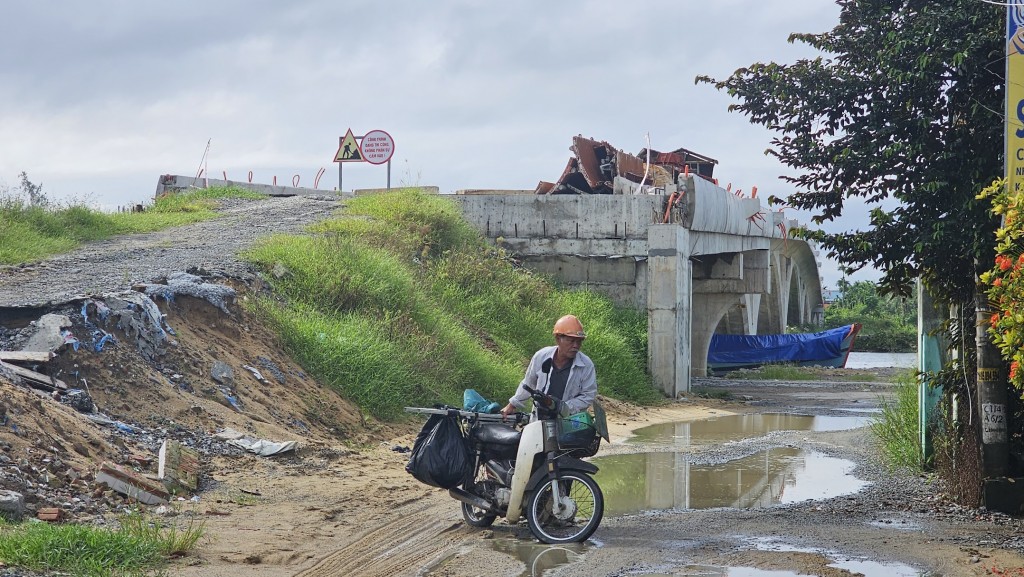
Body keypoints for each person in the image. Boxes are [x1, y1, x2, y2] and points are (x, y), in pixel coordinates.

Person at [501, 314, 597, 420]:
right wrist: (512, 405)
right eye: (571, 341)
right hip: (539, 418)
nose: (575, 346)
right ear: (558, 339)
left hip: (567, 421)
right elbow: (529, 383)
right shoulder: (541, 356)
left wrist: (562, 407)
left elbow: (588, 395)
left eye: (579, 341)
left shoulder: (586, 365)